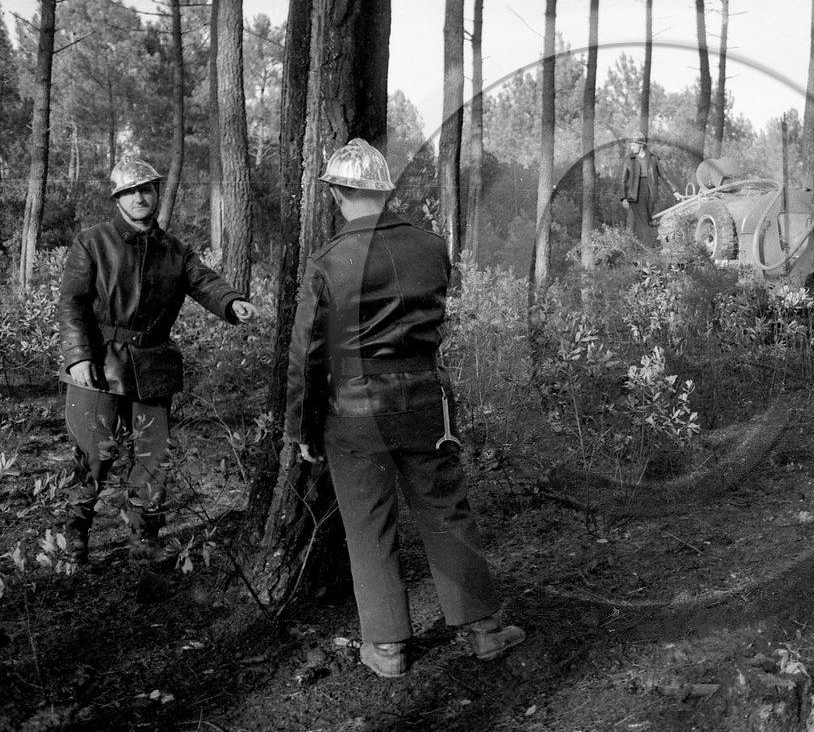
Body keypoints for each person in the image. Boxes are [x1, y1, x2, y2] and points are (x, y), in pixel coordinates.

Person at [285, 138, 525, 679]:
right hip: (423, 402)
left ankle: (388, 650)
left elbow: (307, 353)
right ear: (385, 190)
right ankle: (485, 632)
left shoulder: (328, 262)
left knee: (369, 525)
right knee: (447, 513)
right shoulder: (431, 247)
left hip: (352, 413)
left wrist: (299, 426)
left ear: (337, 193)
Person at [58, 156, 259, 564]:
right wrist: (78, 356)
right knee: (92, 455)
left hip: (152, 367)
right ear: (117, 199)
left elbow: (205, 281)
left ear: (156, 194)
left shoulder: (175, 250)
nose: (139, 197)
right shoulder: (92, 241)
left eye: (145, 189)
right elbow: (72, 303)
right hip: (97, 365)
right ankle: (74, 537)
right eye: (129, 191)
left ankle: (143, 540)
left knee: (153, 459)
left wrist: (232, 302)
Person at [620, 134, 676, 242]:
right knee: (634, 222)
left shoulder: (653, 159)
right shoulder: (628, 159)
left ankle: (648, 246)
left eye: (633, 145)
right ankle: (636, 247)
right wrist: (624, 198)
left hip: (650, 191)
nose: (631, 147)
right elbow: (623, 179)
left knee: (648, 221)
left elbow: (664, 176)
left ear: (641, 145)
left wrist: (675, 191)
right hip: (634, 193)